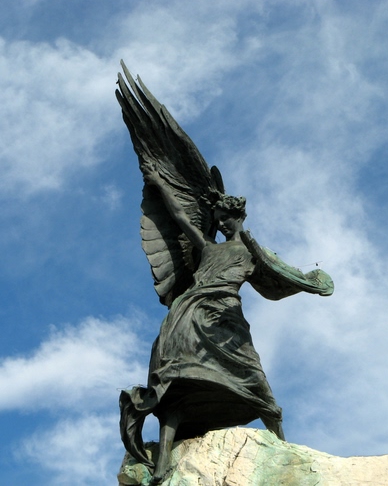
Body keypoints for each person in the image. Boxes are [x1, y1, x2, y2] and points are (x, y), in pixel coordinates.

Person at [120, 166, 284, 483]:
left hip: (225, 315)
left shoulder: (253, 253)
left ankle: (281, 444)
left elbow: (278, 277)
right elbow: (180, 216)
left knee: (253, 374)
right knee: (174, 381)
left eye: (225, 218)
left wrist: (308, 282)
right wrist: (159, 183)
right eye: (217, 219)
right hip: (190, 312)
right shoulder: (209, 247)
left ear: (239, 216)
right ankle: (162, 464)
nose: (220, 224)